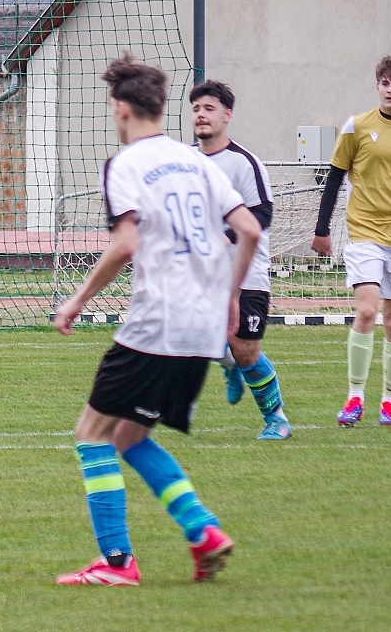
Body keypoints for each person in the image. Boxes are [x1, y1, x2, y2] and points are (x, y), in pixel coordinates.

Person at [53, 55, 261, 586]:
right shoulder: (197, 162)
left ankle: (116, 563)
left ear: (121, 108)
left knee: (92, 434)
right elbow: (250, 231)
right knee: (129, 436)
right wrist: (231, 296)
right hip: (202, 328)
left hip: (157, 321)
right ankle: (202, 531)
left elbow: (125, 244)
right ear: (162, 108)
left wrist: (77, 299)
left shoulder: (125, 164)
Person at [310, 54, 391, 427]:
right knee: (368, 312)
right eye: (385, 83)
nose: (390, 90)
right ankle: (355, 397)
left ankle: (390, 401)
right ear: (377, 86)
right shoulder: (357, 126)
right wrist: (321, 229)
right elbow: (335, 177)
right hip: (364, 232)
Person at [191, 80, 292, 440]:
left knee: (247, 349)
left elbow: (262, 214)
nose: (201, 115)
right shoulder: (184, 161)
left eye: (209, 108)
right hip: (201, 272)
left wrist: (226, 236)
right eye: (196, 109)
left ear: (227, 115)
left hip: (246, 272)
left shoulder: (244, 162)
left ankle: (277, 419)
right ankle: (228, 361)